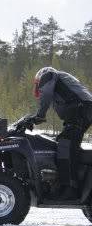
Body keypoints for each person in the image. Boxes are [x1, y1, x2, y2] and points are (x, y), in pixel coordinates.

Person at [32, 67, 92, 197]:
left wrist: (40, 115)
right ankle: (73, 183)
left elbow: (45, 94)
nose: (38, 85)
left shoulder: (49, 74)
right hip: (81, 112)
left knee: (65, 146)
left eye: (37, 83)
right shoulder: (63, 80)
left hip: (79, 112)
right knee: (64, 142)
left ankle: (70, 188)